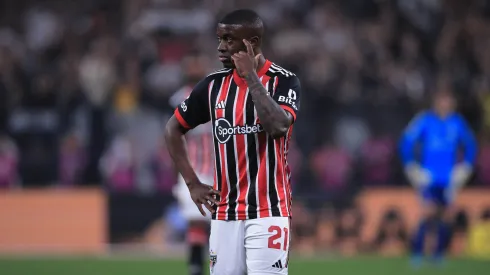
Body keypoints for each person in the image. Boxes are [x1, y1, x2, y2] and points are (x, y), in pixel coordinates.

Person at [164, 9, 301, 275]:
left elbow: (278, 127)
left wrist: (250, 77)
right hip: (225, 214)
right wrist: (192, 183)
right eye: (219, 38)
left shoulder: (284, 81)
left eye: (228, 39)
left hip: (268, 211)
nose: (220, 47)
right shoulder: (212, 86)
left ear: (252, 43)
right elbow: (172, 129)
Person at [399, 90, 477, 266]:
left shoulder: (457, 123)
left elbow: (471, 145)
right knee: (427, 213)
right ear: (435, 102)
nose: (445, 104)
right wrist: (411, 166)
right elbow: (406, 142)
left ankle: (438, 254)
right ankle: (417, 253)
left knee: (445, 217)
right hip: (428, 178)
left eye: (448, 101)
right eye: (442, 100)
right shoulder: (425, 120)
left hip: (449, 179)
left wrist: (465, 167)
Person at [168, 53, 215, 275]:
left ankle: (222, 266)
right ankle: (196, 268)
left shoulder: (218, 95)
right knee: (196, 221)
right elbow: (173, 138)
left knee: (222, 224)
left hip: (219, 171)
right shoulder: (179, 98)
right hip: (193, 170)